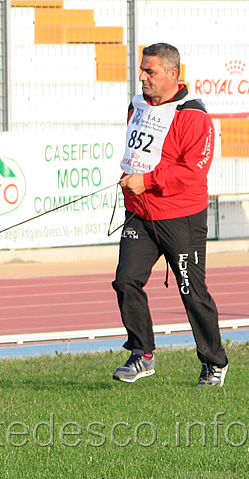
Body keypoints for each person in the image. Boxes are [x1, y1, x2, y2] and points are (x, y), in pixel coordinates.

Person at [111, 43, 228, 386]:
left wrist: (146, 181)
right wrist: (130, 178)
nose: (143, 78)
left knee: (192, 293)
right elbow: (137, 152)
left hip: (182, 218)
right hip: (140, 214)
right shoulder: (136, 107)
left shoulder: (194, 116)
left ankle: (214, 362)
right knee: (125, 281)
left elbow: (193, 173)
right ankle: (142, 354)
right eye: (142, 70)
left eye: (150, 71)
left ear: (172, 74)